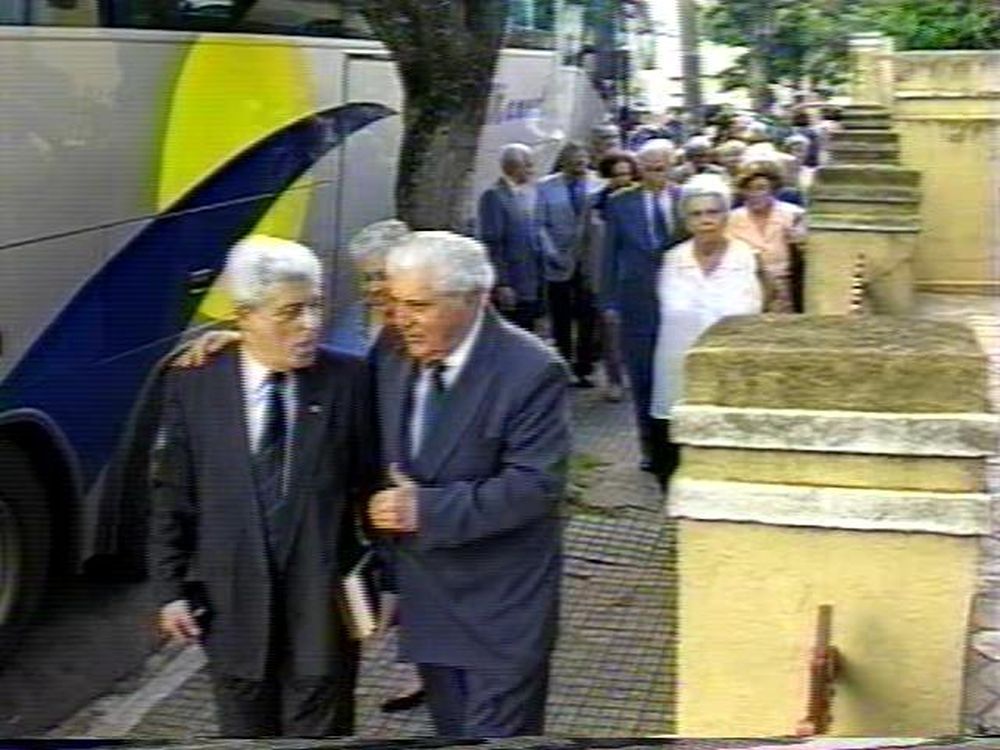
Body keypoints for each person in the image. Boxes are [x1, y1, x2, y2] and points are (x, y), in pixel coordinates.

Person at [150, 235, 377, 737]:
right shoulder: (194, 382)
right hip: (232, 619)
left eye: (316, 306)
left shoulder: (351, 380)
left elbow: (375, 488)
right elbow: (172, 497)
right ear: (245, 316)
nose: (310, 324)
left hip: (322, 621)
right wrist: (169, 592)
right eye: (290, 312)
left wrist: (384, 582)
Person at [369, 230, 570, 737]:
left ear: (474, 300)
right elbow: (332, 390)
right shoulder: (391, 350)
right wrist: (242, 345)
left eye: (419, 305)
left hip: (501, 613)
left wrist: (425, 511)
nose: (401, 318)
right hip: (430, 607)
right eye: (393, 302)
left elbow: (536, 487)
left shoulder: (531, 370)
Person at [649, 175, 767, 488]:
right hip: (676, 370)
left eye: (713, 212)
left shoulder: (746, 258)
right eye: (696, 214)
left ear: (726, 216)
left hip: (729, 371)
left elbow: (760, 313)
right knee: (674, 451)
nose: (706, 220)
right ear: (685, 220)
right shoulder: (672, 259)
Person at [600, 139, 688, 472]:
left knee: (679, 375)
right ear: (640, 168)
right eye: (649, 168)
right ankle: (650, 449)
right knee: (643, 377)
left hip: (680, 301)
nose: (655, 174)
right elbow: (608, 254)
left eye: (661, 167)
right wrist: (607, 301)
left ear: (671, 165)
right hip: (636, 303)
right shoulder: (620, 203)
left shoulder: (687, 201)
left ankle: (680, 445)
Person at [536, 141, 603, 387]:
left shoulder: (599, 185)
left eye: (583, 162)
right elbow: (539, 224)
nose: (580, 167)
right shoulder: (545, 187)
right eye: (575, 163)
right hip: (558, 262)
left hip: (588, 261)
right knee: (561, 316)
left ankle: (585, 367)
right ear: (564, 163)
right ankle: (563, 364)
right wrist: (551, 252)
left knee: (588, 315)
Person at [584, 150, 639, 402]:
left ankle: (635, 375)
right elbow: (584, 239)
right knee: (610, 330)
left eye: (627, 174)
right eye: (617, 175)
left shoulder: (640, 201)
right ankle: (615, 379)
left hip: (635, 275)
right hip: (605, 274)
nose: (623, 179)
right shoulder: (595, 203)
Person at [476, 143, 545, 332]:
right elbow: (493, 243)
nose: (533, 171)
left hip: (532, 280)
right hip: (513, 283)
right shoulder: (494, 196)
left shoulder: (528, 194)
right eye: (529, 165)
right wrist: (503, 283)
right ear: (513, 167)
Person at [728, 162, 808, 313]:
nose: (755, 194)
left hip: (787, 292)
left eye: (761, 188)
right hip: (746, 290)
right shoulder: (732, 219)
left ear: (773, 189)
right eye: (749, 189)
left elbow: (806, 254)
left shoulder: (794, 215)